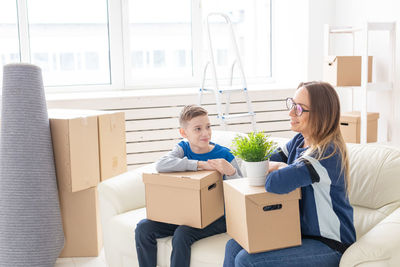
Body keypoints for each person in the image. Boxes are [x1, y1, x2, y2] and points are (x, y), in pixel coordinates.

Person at [223, 81, 356, 267]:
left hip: (330, 244)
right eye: (292, 104)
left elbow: (274, 183)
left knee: (247, 261)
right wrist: (280, 166)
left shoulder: (326, 153)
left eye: (299, 108)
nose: (291, 113)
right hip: (298, 235)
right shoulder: (299, 141)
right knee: (233, 246)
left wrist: (277, 167)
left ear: (320, 115)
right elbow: (262, 163)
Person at [135, 104, 243, 267]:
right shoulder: (182, 148)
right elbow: (161, 164)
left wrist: (232, 171)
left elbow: (241, 191)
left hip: (219, 217)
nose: (205, 133)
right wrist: (199, 164)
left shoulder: (224, 154)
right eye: (198, 129)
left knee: (182, 233)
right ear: (184, 133)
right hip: (186, 214)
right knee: (143, 228)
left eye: (208, 127)